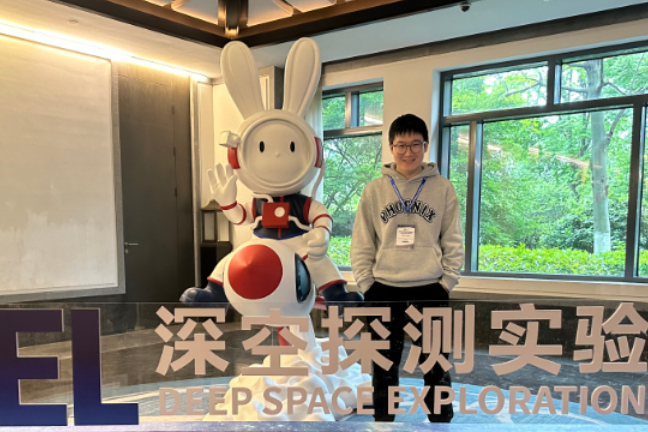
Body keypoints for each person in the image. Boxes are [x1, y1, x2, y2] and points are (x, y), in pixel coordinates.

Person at [350, 113, 464, 422]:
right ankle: (383, 421)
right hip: (383, 290)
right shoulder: (374, 190)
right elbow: (362, 242)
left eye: (415, 144)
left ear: (425, 146)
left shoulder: (442, 188)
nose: (408, 151)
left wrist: (446, 282)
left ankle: (440, 422)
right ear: (391, 147)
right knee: (383, 365)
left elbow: (453, 239)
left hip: (430, 289)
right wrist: (367, 285)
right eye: (401, 145)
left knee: (436, 364)